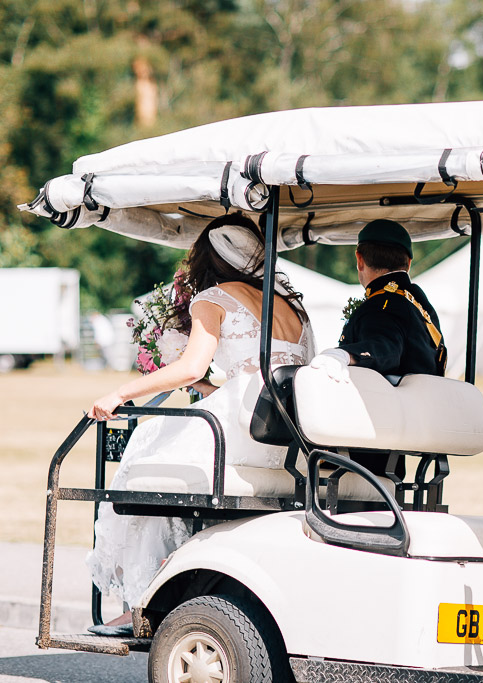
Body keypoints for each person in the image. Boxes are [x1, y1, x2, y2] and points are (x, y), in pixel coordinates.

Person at [86, 213, 315, 622]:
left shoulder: (214, 298)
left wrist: (120, 393)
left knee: (148, 449)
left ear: (210, 257)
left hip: (241, 431)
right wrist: (212, 389)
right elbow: (275, 373)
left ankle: (145, 600)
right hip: (285, 433)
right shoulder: (292, 307)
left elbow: (191, 368)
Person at [310, 218, 446, 379]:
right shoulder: (419, 303)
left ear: (359, 260)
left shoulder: (382, 304)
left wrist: (345, 355)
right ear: (409, 263)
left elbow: (385, 347)